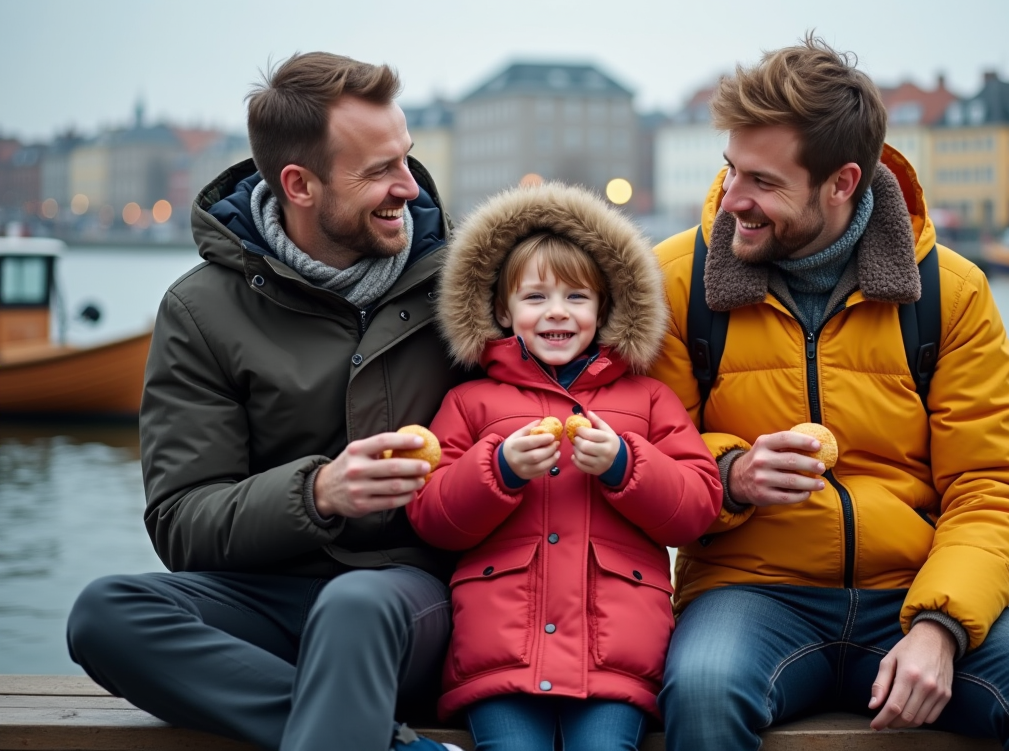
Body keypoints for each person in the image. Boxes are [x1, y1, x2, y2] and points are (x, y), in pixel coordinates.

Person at [649, 35, 1009, 750]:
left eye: (764, 183)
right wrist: (731, 475)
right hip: (747, 592)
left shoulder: (949, 292)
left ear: (842, 183)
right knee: (705, 688)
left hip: (915, 589)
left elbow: (998, 486)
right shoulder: (675, 280)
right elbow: (647, 457)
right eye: (730, 171)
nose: (732, 201)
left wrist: (942, 626)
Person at [66, 53, 468, 751]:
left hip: (415, 600)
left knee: (354, 607)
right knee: (104, 613)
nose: (409, 187)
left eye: (406, 159)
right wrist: (319, 492)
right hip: (266, 604)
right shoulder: (198, 310)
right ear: (299, 185)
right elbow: (182, 523)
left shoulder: (469, 283)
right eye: (378, 171)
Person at [406, 183, 724, 751]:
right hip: (500, 654)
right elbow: (432, 516)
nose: (557, 312)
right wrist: (497, 469)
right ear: (503, 310)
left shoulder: (649, 399)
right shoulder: (470, 402)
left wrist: (626, 464)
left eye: (577, 297)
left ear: (605, 308)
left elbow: (696, 509)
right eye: (535, 298)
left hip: (614, 657)